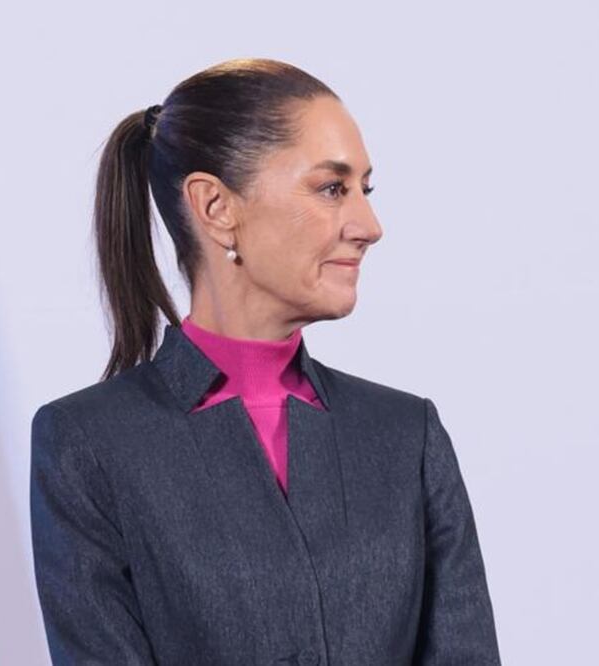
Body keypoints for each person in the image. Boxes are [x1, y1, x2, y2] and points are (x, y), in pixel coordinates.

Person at [29, 58, 500, 665]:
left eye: (365, 189)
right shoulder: (88, 444)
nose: (369, 225)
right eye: (332, 188)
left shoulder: (407, 435)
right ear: (217, 207)